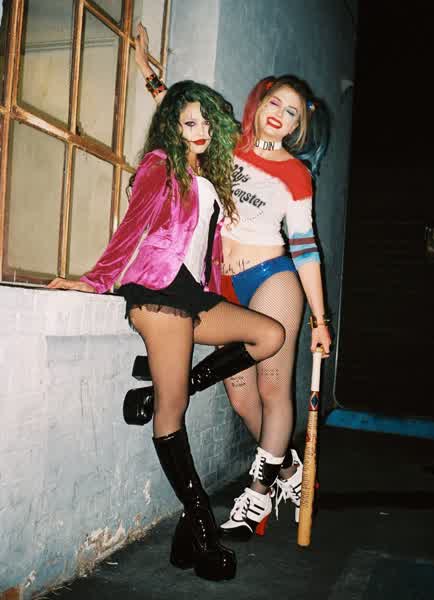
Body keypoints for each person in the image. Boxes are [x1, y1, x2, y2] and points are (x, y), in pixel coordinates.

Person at [47, 79, 286, 580]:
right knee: (173, 412)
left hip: (193, 294)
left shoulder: (207, 173)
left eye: (206, 123)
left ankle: (160, 392)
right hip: (158, 292)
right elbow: (132, 227)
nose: (200, 131)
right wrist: (95, 280)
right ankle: (201, 527)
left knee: (269, 335)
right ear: (173, 127)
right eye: (189, 122)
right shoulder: (161, 165)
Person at [133, 24, 332, 540]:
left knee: (272, 386)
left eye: (293, 112)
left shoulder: (296, 175)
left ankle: (257, 493)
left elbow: (306, 246)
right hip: (221, 284)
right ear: (259, 103)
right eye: (276, 102)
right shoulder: (226, 144)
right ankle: (287, 468)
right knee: (242, 400)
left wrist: (320, 319)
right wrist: (148, 70)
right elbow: (183, 113)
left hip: (272, 277)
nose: (281, 113)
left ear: (298, 127)